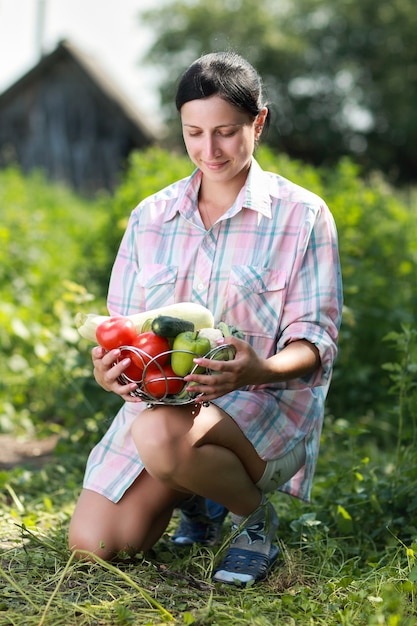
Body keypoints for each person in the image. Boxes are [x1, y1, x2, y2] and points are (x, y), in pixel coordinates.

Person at [68, 51, 343, 586]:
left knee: (161, 435)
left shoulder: (302, 215)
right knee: (97, 545)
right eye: (194, 133)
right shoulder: (150, 216)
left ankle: (254, 519)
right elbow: (122, 327)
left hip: (260, 407)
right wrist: (110, 367)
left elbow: (316, 341)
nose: (208, 150)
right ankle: (199, 500)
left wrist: (256, 370)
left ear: (258, 122)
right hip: (163, 403)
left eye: (225, 131)